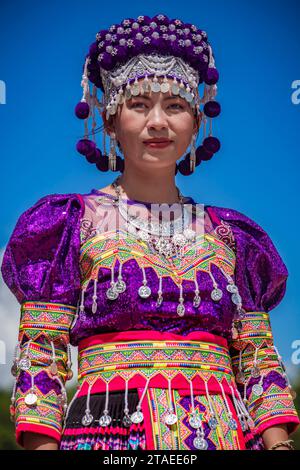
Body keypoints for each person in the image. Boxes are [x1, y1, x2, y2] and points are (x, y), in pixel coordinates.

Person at [1, 13, 300, 451]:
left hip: (226, 436)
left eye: (175, 106)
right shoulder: (69, 223)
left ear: (196, 125)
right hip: (108, 436)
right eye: (139, 105)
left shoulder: (233, 236)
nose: (158, 122)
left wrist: (278, 446)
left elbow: (255, 359)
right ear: (109, 123)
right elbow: (41, 357)